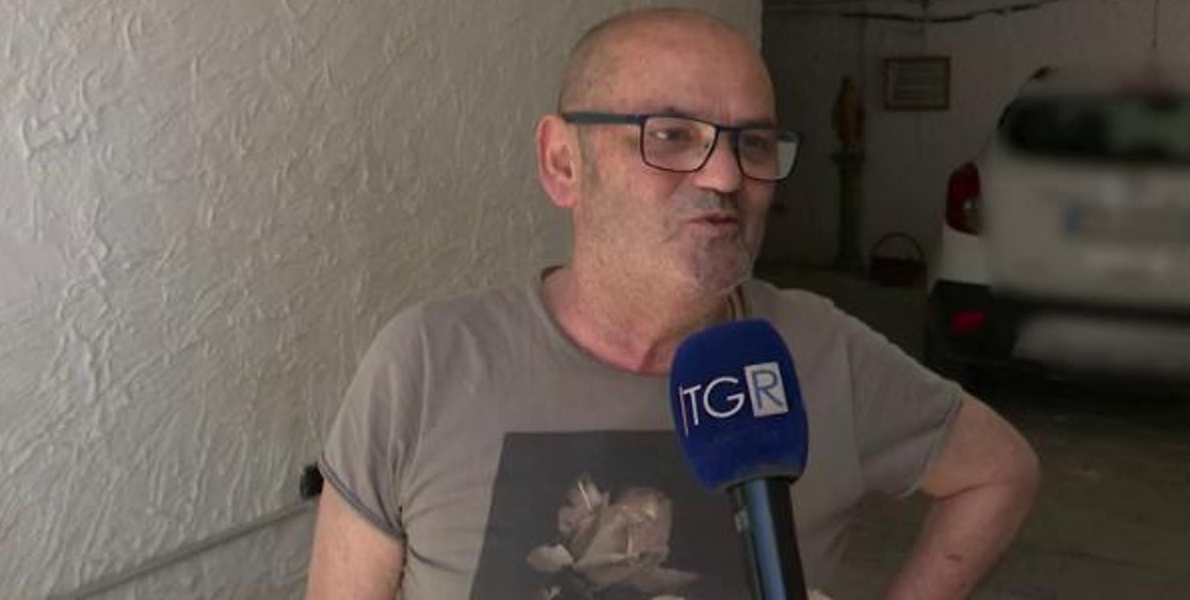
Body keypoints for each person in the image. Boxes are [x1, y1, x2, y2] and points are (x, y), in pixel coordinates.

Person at [305, 8, 1039, 600]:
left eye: (753, 144)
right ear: (563, 162)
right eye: (671, 135)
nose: (726, 176)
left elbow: (1000, 471)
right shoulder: (426, 364)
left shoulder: (822, 352)